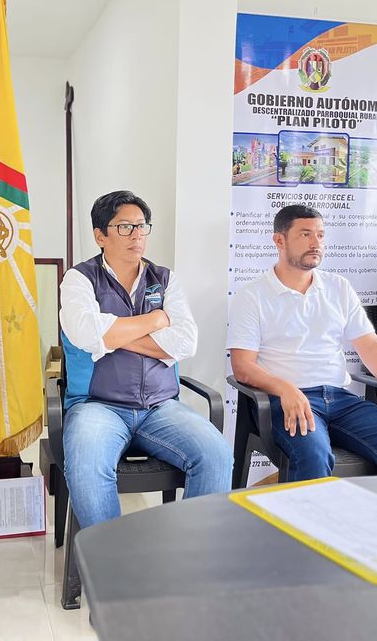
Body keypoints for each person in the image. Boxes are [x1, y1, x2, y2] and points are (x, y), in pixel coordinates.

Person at [59, 190, 233, 528]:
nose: (137, 235)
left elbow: (186, 342)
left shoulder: (165, 279)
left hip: (160, 407)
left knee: (216, 454)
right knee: (86, 465)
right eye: (125, 227)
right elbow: (86, 333)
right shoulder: (79, 279)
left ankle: (194, 554)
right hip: (98, 407)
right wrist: (156, 320)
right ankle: (108, 559)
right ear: (100, 236)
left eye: (141, 226)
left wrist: (114, 336)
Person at [227, 204, 377, 482]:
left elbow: (370, 346)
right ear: (279, 240)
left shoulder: (338, 287)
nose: (316, 243)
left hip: (340, 400)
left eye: (320, 235)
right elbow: (243, 367)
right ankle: (305, 514)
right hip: (286, 400)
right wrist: (285, 388)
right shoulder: (252, 296)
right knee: (313, 456)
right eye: (305, 234)